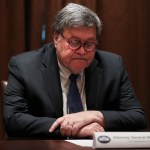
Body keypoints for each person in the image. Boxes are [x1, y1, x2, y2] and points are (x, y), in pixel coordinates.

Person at [3, 3, 146, 139]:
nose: (82, 51)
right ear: (56, 38)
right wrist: (72, 129)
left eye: (89, 44)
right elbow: (13, 120)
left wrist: (95, 116)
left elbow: (137, 117)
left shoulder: (113, 65)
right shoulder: (24, 66)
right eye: (74, 42)